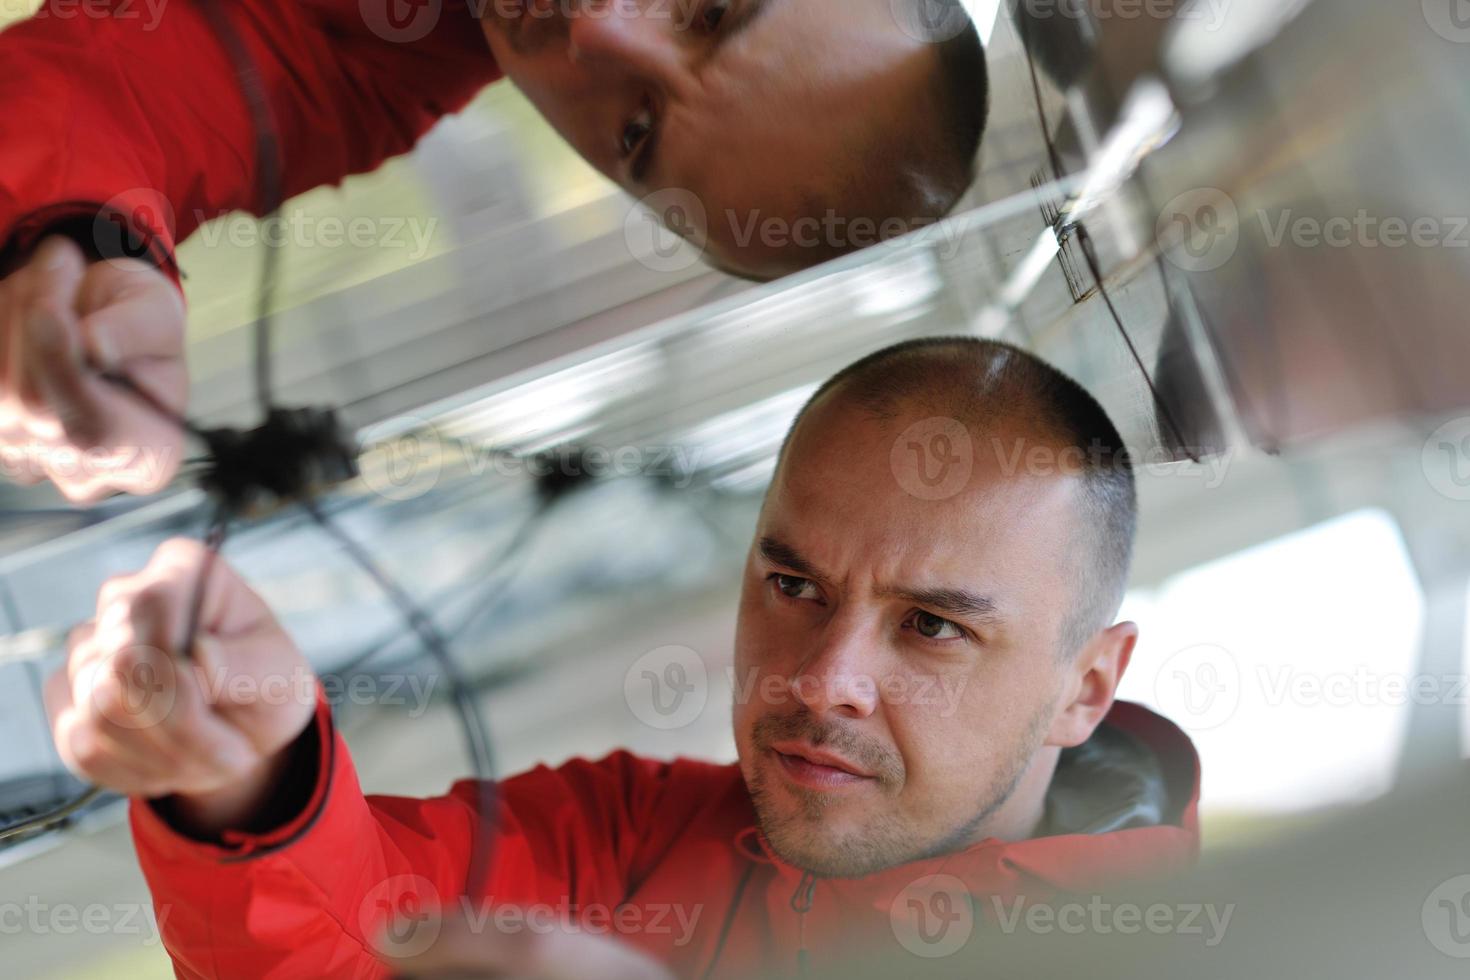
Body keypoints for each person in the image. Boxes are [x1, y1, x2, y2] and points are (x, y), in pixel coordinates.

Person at [46, 337, 1202, 978]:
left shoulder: (1214, 940)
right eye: (793, 585)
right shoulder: (634, 834)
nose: (818, 677)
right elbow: (356, 933)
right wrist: (249, 766)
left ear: (1085, 684)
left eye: (933, 625)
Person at [0, 0, 988, 501]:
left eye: (636, 131)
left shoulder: (374, 59)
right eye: (709, 6)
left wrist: (84, 250)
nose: (597, 28)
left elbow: (142, 99)